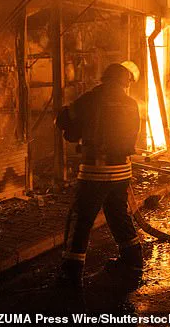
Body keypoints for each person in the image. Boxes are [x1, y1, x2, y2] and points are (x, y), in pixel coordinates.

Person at [55, 61, 142, 288]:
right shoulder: (131, 104)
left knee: (81, 219)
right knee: (118, 215)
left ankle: (71, 273)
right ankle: (133, 261)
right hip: (122, 171)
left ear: (105, 78)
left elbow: (64, 121)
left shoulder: (91, 99)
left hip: (95, 171)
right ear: (125, 82)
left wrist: (66, 116)